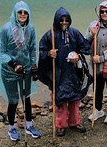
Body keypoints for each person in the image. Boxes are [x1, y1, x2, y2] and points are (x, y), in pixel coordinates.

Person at [38, 7, 92, 137]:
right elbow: (40, 51)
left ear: (70, 20)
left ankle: (75, 123)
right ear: (57, 20)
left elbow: (85, 47)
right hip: (58, 73)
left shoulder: (74, 33)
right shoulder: (49, 35)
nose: (64, 22)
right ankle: (61, 125)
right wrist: (48, 54)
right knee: (60, 101)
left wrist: (78, 56)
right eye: (61, 20)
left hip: (73, 73)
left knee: (75, 99)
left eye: (66, 20)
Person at [0, 1, 42, 141]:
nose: (22, 14)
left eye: (25, 12)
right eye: (20, 12)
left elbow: (33, 49)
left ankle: (29, 125)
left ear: (28, 14)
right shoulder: (5, 29)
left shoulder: (31, 29)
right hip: (9, 71)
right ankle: (11, 128)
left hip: (26, 69)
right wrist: (13, 64)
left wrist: (34, 66)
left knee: (27, 98)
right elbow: (0, 51)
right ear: (15, 13)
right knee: (13, 100)